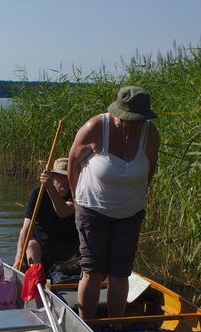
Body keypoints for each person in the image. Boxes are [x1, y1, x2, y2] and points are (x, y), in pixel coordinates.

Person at [67, 86, 160, 319]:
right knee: (93, 272)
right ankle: (88, 326)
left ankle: (116, 325)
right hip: (92, 209)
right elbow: (73, 163)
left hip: (130, 213)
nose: (135, 125)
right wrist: (77, 199)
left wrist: (135, 196)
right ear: (118, 114)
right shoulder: (96, 128)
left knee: (120, 273)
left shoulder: (150, 134)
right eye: (130, 120)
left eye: (139, 121)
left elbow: (151, 168)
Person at [14, 157, 79, 272]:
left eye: (68, 177)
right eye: (61, 177)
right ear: (53, 177)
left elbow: (63, 211)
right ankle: (37, 277)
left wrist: (50, 187)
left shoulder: (75, 195)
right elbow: (26, 227)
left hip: (67, 247)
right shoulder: (38, 194)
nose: (65, 181)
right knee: (31, 246)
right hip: (43, 246)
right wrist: (18, 258)